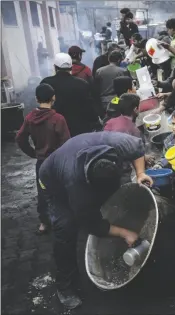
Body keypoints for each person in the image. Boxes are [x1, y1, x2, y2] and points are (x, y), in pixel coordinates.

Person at [39, 132, 152, 309]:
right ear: (88, 184)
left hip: (76, 159)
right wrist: (124, 232)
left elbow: (137, 148)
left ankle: (115, 233)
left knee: (110, 202)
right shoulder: (75, 185)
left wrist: (140, 173)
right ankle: (65, 286)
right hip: (52, 181)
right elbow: (89, 223)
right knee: (66, 227)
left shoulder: (117, 144)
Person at [15, 84, 70, 235]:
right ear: (54, 98)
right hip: (57, 162)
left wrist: (32, 153)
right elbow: (67, 143)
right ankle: (63, 219)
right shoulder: (58, 119)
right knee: (60, 189)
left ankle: (44, 222)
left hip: (41, 162)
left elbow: (20, 138)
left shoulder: (29, 118)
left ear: (36, 99)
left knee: (42, 191)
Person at [41, 53, 99, 136]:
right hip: (80, 130)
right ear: (71, 67)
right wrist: (95, 121)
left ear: (55, 67)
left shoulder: (46, 83)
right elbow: (89, 106)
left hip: (55, 130)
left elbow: (43, 107)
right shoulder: (82, 84)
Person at [94, 50, 128, 115]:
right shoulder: (122, 71)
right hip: (117, 100)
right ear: (119, 60)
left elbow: (96, 89)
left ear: (109, 59)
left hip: (104, 102)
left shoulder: (99, 71)